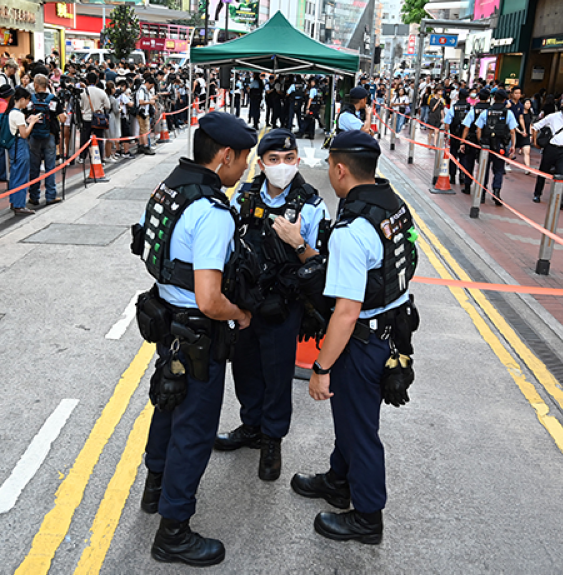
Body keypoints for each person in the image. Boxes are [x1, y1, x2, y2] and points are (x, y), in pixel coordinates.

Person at [131, 112, 257, 566]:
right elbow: (209, 298)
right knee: (195, 429)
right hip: (199, 330)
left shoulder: (171, 186)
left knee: (168, 402)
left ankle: (156, 488)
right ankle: (173, 531)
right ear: (225, 156)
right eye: (245, 159)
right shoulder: (212, 211)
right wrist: (240, 314)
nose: (247, 168)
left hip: (167, 319)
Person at [291, 129, 418, 546]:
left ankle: (367, 516)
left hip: (361, 343)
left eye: (329, 164)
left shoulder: (351, 229)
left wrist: (321, 368)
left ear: (340, 169)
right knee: (351, 422)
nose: (328, 171)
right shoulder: (392, 205)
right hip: (388, 331)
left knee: (360, 430)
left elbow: (345, 314)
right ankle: (339, 480)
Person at [215, 129, 330, 480]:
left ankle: (272, 439)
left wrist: (297, 243)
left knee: (277, 375)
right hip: (245, 305)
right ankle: (251, 425)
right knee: (245, 367)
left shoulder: (311, 205)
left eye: (289, 158)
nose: (283, 166)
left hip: (284, 306)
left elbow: (321, 265)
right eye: (274, 160)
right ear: (261, 164)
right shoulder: (244, 196)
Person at [530, 96, 563, 203]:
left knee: (562, 174)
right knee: (543, 171)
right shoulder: (552, 117)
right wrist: (535, 142)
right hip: (551, 148)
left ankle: (559, 200)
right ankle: (537, 194)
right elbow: (535, 126)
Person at [475, 89, 518, 205]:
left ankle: (482, 194)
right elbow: (513, 131)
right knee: (498, 170)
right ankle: (496, 193)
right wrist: (513, 145)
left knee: (484, 169)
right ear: (505, 100)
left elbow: (478, 129)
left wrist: (480, 142)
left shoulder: (486, 112)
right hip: (501, 145)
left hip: (486, 145)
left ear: (493, 98)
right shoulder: (508, 113)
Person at [4, 87, 41, 215]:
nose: (28, 104)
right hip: (20, 145)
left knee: (15, 174)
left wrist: (27, 121)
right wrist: (33, 123)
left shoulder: (11, 112)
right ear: (22, 99)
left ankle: (14, 202)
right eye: (27, 101)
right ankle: (20, 205)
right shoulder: (18, 114)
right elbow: (24, 134)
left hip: (13, 146)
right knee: (21, 175)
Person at [27, 74, 62, 206]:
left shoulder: (31, 99)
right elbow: (63, 118)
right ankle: (50, 195)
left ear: (35, 85)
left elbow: (26, 115)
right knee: (50, 166)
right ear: (48, 84)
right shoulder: (53, 99)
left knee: (34, 167)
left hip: (34, 135)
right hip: (50, 135)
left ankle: (34, 196)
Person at [458, 89, 492, 195]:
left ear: (478, 97)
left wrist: (462, 142)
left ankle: (467, 186)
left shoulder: (474, 110)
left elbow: (466, 127)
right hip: (487, 141)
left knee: (470, 163)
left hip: (472, 140)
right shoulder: (491, 111)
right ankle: (482, 188)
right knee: (484, 166)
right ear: (489, 98)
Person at [79, 71, 111, 163]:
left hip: (87, 118)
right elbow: (108, 106)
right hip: (98, 119)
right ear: (97, 81)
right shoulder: (101, 92)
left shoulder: (83, 92)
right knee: (99, 139)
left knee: (84, 139)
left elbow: (81, 106)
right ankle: (100, 158)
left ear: (87, 81)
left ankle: (82, 157)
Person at [444, 88, 472, 187]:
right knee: (464, 157)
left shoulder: (453, 108)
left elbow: (447, 123)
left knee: (453, 156)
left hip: (454, 135)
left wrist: (446, 134)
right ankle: (462, 176)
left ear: (458, 96)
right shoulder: (470, 108)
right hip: (465, 137)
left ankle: (452, 176)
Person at [135, 75, 158, 155]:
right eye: (151, 86)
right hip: (142, 113)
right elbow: (141, 102)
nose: (151, 88)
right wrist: (150, 102)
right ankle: (146, 147)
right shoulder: (142, 90)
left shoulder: (145, 90)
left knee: (142, 131)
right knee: (145, 131)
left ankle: (141, 146)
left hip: (145, 112)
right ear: (148, 83)